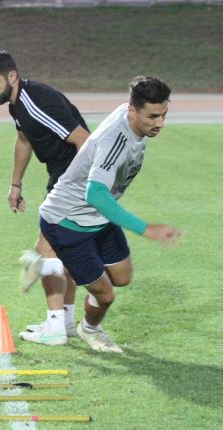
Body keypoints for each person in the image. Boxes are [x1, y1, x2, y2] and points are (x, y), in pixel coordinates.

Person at [39, 76, 181, 353]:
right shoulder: (115, 141)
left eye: (164, 115)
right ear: (132, 111)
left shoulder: (131, 113)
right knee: (105, 295)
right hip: (69, 221)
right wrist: (145, 228)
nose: (160, 123)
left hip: (99, 217)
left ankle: (53, 264)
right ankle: (89, 329)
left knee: (122, 277)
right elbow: (95, 194)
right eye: (152, 116)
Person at [0, 50, 90, 346]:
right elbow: (24, 140)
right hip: (65, 177)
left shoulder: (36, 100)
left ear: (11, 76)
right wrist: (15, 184)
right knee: (61, 251)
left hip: (72, 178)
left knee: (45, 251)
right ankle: (63, 321)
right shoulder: (17, 105)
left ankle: (53, 329)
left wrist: (77, 187)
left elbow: (84, 141)